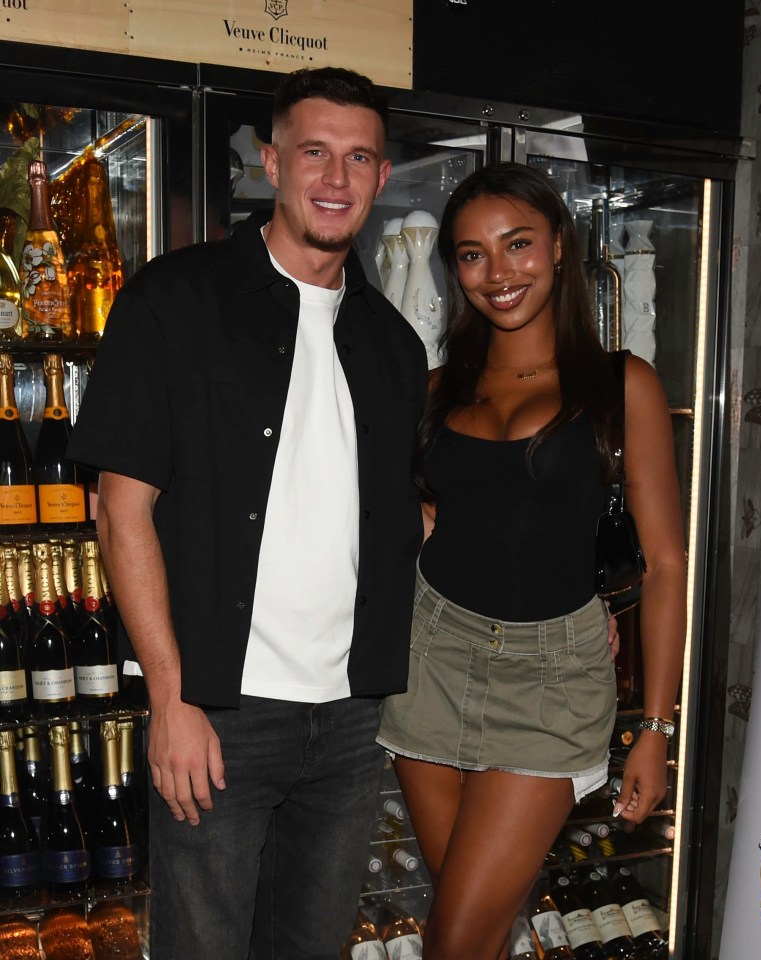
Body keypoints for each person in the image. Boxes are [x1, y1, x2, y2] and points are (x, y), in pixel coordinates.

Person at [66, 66, 428, 960]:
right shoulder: (172, 300)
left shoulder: (392, 345)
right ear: (271, 161)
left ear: (382, 180)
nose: (335, 178)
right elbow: (122, 512)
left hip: (347, 722)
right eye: (313, 152)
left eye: (357, 158)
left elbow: (401, 521)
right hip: (219, 713)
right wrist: (172, 698)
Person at [376, 162, 687, 960]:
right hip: (428, 661)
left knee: (454, 939)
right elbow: (423, 522)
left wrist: (653, 728)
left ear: (557, 246)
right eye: (472, 254)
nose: (497, 273)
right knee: (469, 931)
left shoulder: (623, 385)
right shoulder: (439, 387)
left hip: (551, 683)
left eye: (516, 244)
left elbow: (665, 562)